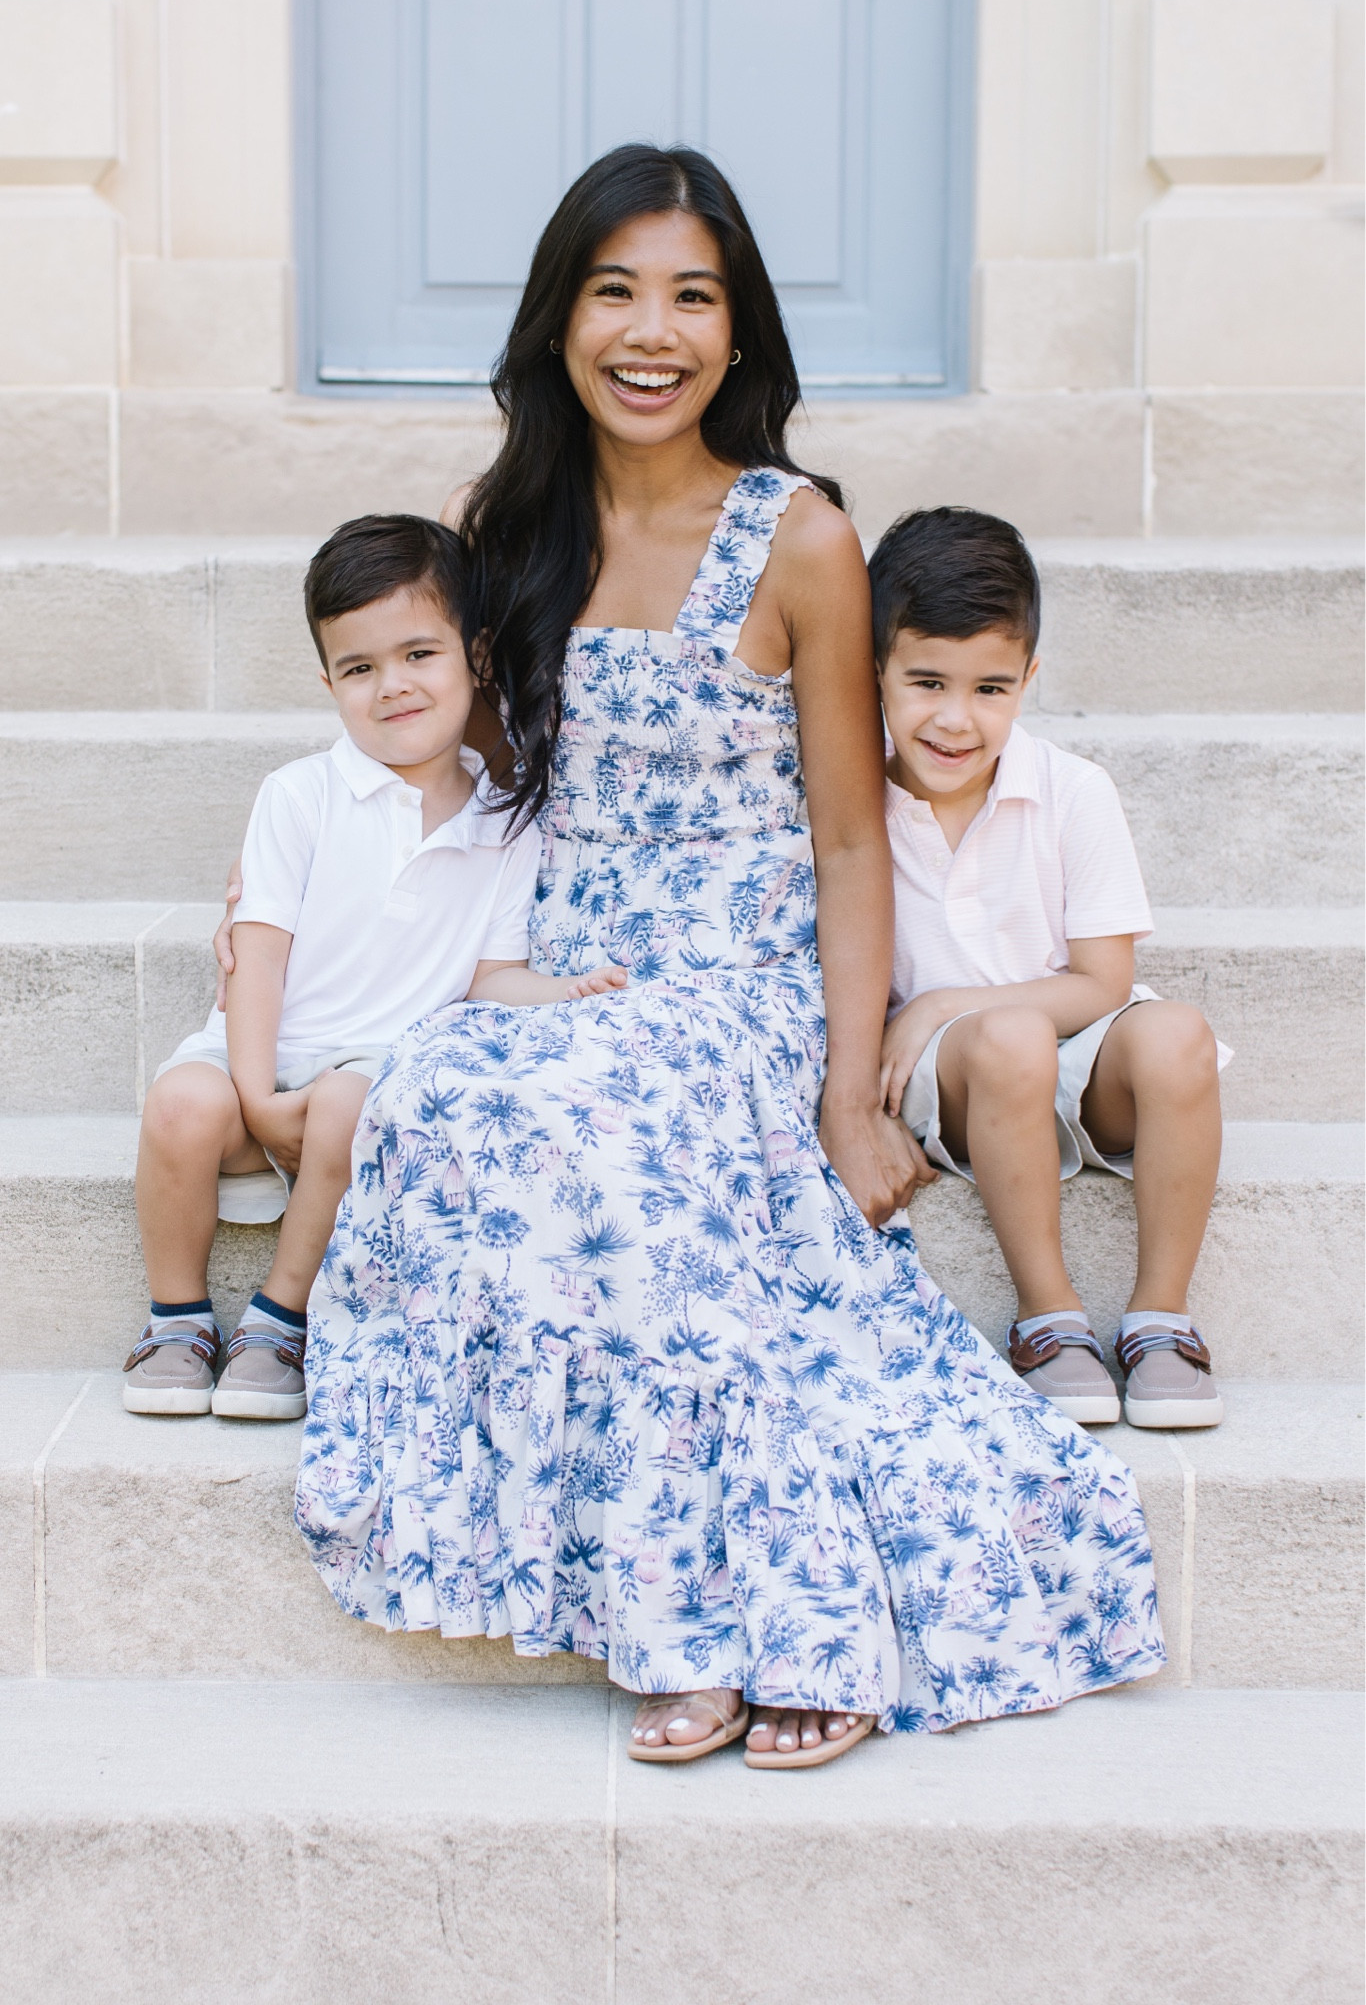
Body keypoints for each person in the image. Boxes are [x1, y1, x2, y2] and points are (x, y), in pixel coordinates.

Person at [220, 145, 1164, 1767]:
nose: (650, 332)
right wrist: (313, 930)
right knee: (448, 1104)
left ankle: (768, 1617)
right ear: (559, 318)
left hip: (737, 977)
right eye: (614, 292)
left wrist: (851, 1096)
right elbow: (451, 755)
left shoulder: (799, 536)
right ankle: (671, 1597)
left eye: (691, 297)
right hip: (561, 967)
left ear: (737, 332)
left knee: (619, 1149)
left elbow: (851, 837)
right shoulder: (505, 526)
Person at [125, 513, 622, 1420]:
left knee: (352, 1101)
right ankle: (177, 1318)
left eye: (418, 654)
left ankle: (279, 1319)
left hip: (362, 1084)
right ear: (329, 683)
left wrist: (563, 993)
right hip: (258, 1062)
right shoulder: (300, 795)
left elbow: (490, 976)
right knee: (177, 1105)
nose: (392, 685)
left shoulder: (505, 822)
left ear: (475, 656)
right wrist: (256, 1095)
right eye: (359, 668)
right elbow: (257, 955)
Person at [873, 506, 1226, 1431]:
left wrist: (944, 999)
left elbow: (1103, 984)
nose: (956, 719)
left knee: (1177, 1033)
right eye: (926, 682)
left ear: (1029, 679)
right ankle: (1049, 1317)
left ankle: (1160, 1319)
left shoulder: (1073, 790)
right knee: (1010, 1038)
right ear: (874, 670)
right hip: (959, 1082)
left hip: (1069, 1051)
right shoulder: (850, 804)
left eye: (991, 687)